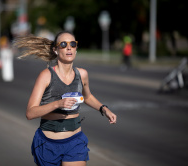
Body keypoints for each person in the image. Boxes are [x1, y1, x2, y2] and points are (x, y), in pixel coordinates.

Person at [13, 31, 117, 166]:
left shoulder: (82, 74)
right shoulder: (46, 75)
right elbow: (30, 113)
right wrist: (58, 104)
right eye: (63, 44)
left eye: (72, 44)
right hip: (48, 143)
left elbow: (88, 97)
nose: (69, 48)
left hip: (75, 142)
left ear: (76, 49)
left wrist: (104, 109)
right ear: (55, 50)